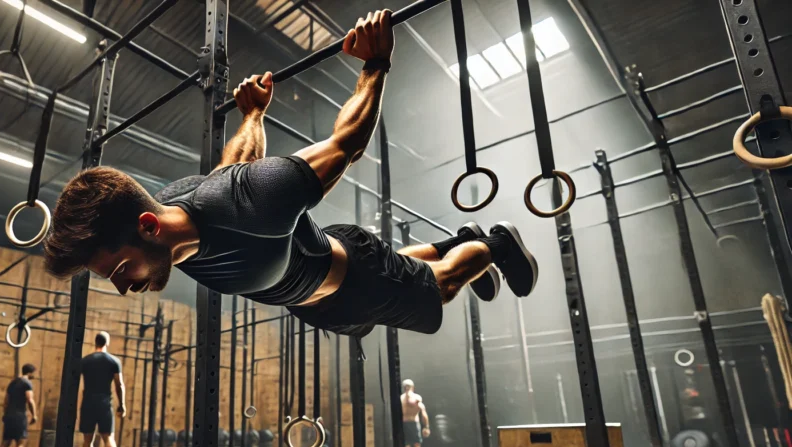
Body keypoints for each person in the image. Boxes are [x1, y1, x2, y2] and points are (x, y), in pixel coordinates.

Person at [44, 9, 538, 339]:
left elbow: (345, 146)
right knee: (406, 264)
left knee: (443, 285)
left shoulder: (250, 201)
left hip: (358, 279)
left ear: (147, 227)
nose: (122, 285)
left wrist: (376, 63)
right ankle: (460, 239)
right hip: (317, 294)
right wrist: (253, 116)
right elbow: (233, 164)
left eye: (118, 270)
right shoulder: (184, 201)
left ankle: (492, 243)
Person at [80, 331, 128, 447]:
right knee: (108, 438)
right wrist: (122, 404)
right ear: (107, 342)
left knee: (87, 440)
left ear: (95, 342)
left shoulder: (85, 361)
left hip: (87, 403)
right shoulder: (113, 361)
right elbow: (119, 384)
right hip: (104, 403)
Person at [0, 363, 38, 447]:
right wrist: (34, 415)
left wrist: (6, 414)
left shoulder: (12, 383)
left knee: (5, 443)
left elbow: (6, 401)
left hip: (9, 415)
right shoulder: (27, 383)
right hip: (19, 416)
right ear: (30, 373)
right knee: (20, 443)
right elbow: (30, 399)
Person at [400, 379, 430, 447]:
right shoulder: (415, 398)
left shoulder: (401, 398)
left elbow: (423, 413)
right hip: (412, 423)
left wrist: (426, 426)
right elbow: (423, 413)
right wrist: (426, 426)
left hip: (406, 423)